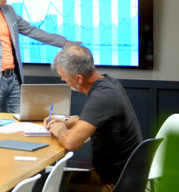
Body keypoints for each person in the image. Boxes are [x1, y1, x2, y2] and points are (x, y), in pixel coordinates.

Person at [44, 45, 143, 191]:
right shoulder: (110, 84)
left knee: (59, 185)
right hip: (127, 175)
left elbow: (71, 142)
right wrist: (67, 122)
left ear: (78, 78)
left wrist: (60, 129)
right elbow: (96, 120)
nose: (63, 80)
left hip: (115, 183)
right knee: (69, 181)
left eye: (65, 78)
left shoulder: (102, 97)